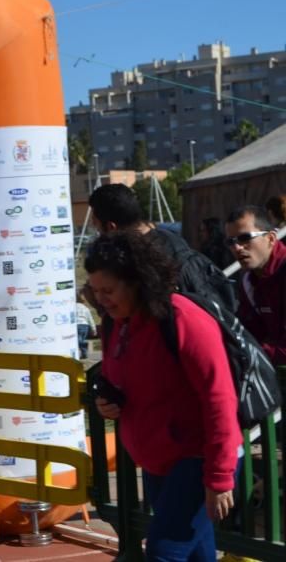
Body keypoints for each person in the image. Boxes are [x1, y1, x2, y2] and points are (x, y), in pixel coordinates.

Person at [87, 230, 241, 560]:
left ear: (137, 281)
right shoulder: (116, 324)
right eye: (95, 291)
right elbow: (118, 380)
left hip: (198, 458)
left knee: (163, 552)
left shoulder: (184, 319)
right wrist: (108, 402)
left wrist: (219, 476)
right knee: (196, 554)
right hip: (160, 462)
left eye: (108, 290)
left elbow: (220, 398)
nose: (101, 299)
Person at [89, 183, 236, 313]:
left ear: (111, 227)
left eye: (97, 226)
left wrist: (97, 302)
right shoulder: (170, 239)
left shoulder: (140, 258)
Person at [225, 205, 286, 365]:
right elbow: (249, 332)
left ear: (271, 238)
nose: (237, 247)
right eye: (231, 241)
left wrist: (242, 353)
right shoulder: (248, 281)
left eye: (245, 238)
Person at [75, 291, 97, 360]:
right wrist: (94, 329)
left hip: (76, 325)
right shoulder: (85, 308)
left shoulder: (72, 306)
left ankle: (84, 345)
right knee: (81, 338)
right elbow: (90, 319)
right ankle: (84, 354)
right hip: (85, 326)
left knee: (79, 340)